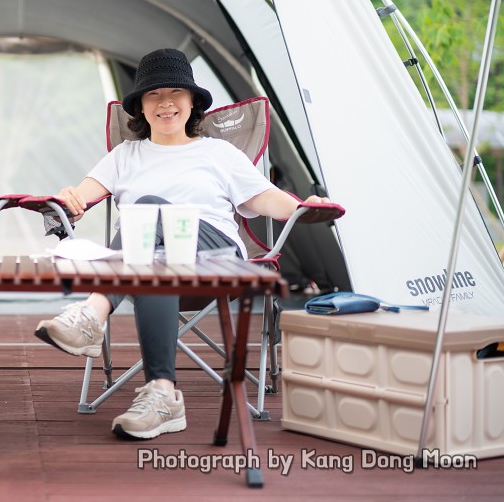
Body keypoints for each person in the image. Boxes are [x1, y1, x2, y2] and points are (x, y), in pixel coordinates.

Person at [34, 48, 333, 440]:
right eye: (154, 94)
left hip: (216, 258)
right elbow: (80, 196)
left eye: (176, 92)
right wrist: (67, 198)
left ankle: (93, 312)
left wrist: (301, 206)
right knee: (154, 261)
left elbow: (266, 199)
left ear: (193, 102)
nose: (166, 102)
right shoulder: (125, 155)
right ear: (140, 107)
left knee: (150, 210)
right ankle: (162, 396)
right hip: (151, 264)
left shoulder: (218, 152)